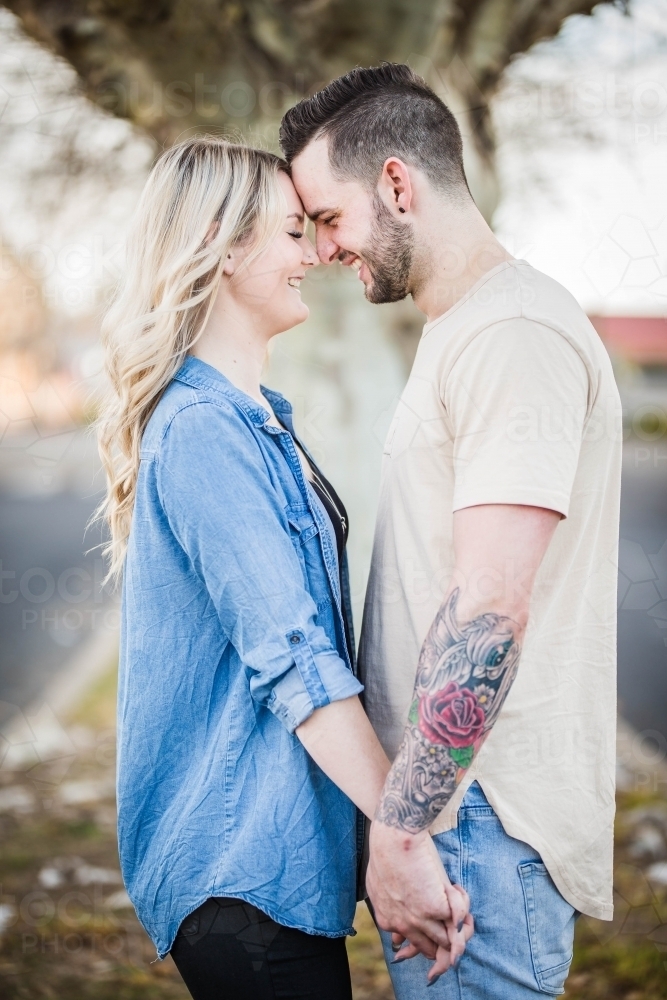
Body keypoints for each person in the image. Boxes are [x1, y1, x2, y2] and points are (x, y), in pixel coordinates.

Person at [96, 137, 469, 1000]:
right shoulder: (203, 432)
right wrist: (405, 834)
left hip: (278, 868)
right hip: (239, 869)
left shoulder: (257, 419)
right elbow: (296, 659)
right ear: (224, 248)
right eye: (292, 232)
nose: (316, 255)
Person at [281, 63, 622, 996]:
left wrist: (401, 831)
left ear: (397, 183)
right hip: (452, 819)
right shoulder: (466, 329)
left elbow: (490, 609)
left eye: (327, 217)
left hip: (473, 827)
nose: (317, 248)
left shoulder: (514, 334)